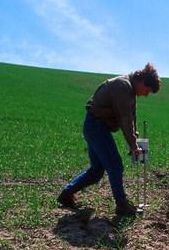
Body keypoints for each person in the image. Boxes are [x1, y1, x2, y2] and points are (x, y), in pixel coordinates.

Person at [57, 63, 160, 216]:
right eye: (147, 91)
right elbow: (125, 119)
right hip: (96, 126)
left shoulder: (130, 91)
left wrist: (136, 141)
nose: (145, 95)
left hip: (96, 127)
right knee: (115, 165)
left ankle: (66, 195)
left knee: (97, 171)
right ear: (142, 82)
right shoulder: (123, 87)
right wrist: (133, 145)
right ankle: (121, 204)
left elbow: (132, 120)